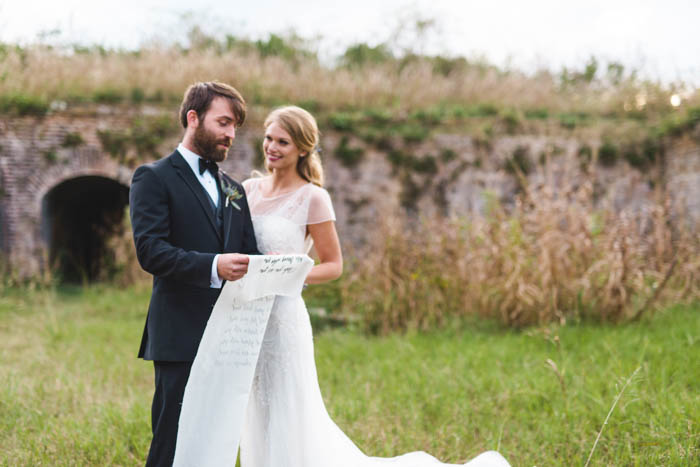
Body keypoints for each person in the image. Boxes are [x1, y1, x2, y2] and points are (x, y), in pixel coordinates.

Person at [240, 106, 510, 466]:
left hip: (283, 318)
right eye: (269, 138)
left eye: (283, 142)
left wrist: (287, 272)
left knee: (289, 408)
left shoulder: (313, 198)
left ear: (303, 149)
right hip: (247, 315)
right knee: (255, 406)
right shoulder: (246, 190)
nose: (271, 147)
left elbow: (334, 265)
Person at [129, 81, 260, 467]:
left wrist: (277, 265)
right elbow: (150, 251)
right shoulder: (152, 177)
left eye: (235, 126)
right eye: (223, 122)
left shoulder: (234, 189)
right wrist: (211, 265)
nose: (230, 134)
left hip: (229, 336)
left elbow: (249, 254)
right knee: (172, 441)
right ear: (193, 118)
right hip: (179, 333)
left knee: (217, 440)